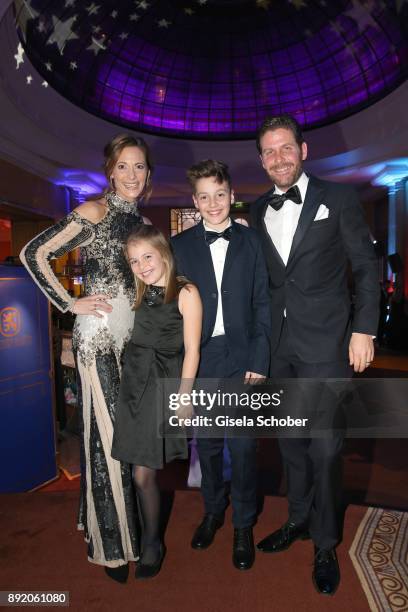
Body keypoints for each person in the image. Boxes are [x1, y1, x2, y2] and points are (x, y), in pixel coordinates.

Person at [250, 114, 379, 595]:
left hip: (327, 346)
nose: (278, 158)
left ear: (303, 151)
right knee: (290, 446)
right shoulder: (259, 209)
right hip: (278, 351)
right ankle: (298, 519)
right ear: (261, 160)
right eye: (269, 151)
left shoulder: (340, 198)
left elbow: (366, 268)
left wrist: (364, 329)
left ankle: (325, 543)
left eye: (286, 148)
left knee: (325, 448)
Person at [20, 133, 153, 583]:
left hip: (130, 345)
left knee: (111, 439)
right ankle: (111, 549)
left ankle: (100, 525)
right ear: (110, 170)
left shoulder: (142, 223)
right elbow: (34, 253)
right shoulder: (94, 211)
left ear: (148, 175)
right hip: (96, 340)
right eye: (123, 166)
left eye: (139, 167)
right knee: (113, 443)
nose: (131, 175)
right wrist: (68, 302)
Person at [171, 159, 271, 571]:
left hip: (243, 358)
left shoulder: (252, 243)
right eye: (205, 196)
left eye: (221, 194)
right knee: (207, 446)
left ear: (232, 194)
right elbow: (168, 311)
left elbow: (264, 302)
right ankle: (213, 511)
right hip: (202, 358)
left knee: (244, 448)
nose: (214, 204)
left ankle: (243, 524)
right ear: (195, 200)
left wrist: (260, 358)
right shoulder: (178, 247)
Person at [112, 225, 202, 579]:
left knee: (142, 473)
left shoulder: (186, 291)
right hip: (133, 382)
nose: (142, 265)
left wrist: (184, 396)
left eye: (147, 256)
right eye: (134, 260)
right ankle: (140, 536)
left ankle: (153, 543)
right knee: (134, 469)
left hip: (162, 383)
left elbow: (193, 349)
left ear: (164, 252)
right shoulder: (137, 292)